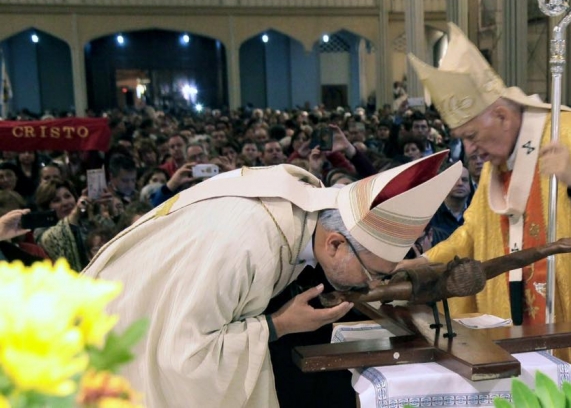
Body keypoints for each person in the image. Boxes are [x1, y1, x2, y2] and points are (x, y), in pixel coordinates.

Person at [83, 152, 463, 407]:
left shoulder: (299, 206)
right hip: (116, 343)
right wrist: (277, 325)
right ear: (335, 245)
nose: (370, 286)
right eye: (372, 275)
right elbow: (184, 358)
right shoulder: (247, 247)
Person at [408, 23, 571, 391]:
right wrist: (422, 266)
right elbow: (473, 235)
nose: (471, 151)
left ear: (503, 117)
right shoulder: (498, 165)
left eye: (472, 136)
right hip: (516, 324)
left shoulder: (568, 132)